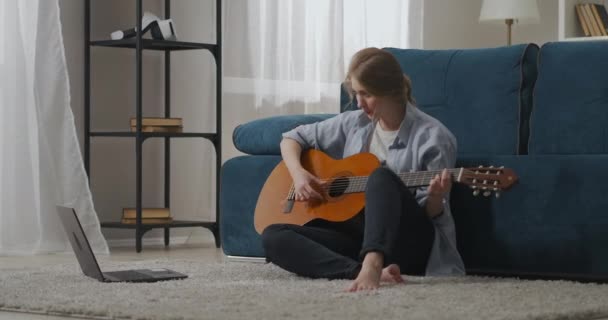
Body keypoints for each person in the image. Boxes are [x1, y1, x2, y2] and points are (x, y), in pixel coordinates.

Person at [261, 47, 465, 292]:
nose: (358, 103)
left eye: (366, 94)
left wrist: (436, 198)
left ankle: (373, 263)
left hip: (407, 241)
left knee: (380, 176)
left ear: (389, 90)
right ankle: (356, 271)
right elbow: (291, 138)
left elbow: (429, 215)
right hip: (358, 236)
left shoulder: (434, 137)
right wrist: (299, 174)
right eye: (356, 93)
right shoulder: (354, 122)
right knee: (273, 236)